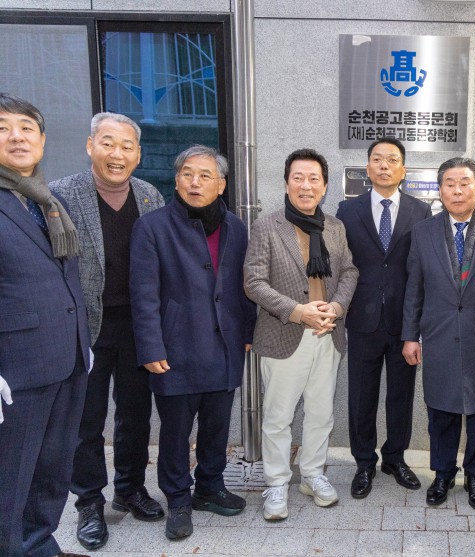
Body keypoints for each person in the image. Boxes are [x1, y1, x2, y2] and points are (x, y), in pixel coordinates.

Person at [50, 112, 166, 551]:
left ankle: (130, 488)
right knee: (87, 418)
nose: (117, 154)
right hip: (86, 325)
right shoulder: (61, 195)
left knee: (135, 412)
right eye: (108, 143)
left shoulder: (150, 196)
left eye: (127, 146)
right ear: (90, 146)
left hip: (138, 324)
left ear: (138, 154)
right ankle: (88, 502)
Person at [130, 145, 255, 540]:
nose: (195, 182)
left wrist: (247, 333)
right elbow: (143, 295)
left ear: (221, 184)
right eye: (187, 174)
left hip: (224, 346)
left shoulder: (236, 227)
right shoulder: (152, 227)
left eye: (205, 175)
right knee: (175, 432)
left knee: (217, 427)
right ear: (176, 179)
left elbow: (243, 286)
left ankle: (210, 487)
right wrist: (151, 347)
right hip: (175, 348)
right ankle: (178, 499)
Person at [0, 92, 92, 557]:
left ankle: (38, 544)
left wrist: (83, 341)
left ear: (42, 139)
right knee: (10, 476)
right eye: (2, 129)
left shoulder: (48, 201)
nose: (16, 137)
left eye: (26, 128)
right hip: (16, 369)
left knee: (52, 470)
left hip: (66, 358)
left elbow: (66, 277)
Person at [244, 148, 358, 520]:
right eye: (298, 178)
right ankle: (277, 483)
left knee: (321, 413)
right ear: (286, 183)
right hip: (284, 334)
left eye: (313, 179)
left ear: (324, 187)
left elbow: (349, 272)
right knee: (278, 416)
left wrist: (336, 308)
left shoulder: (334, 227)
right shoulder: (267, 226)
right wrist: (299, 311)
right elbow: (254, 282)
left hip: (328, 334)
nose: (306, 186)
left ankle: (312, 474)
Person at [402, 157, 475, 512]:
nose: (457, 190)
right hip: (438, 336)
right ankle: (442, 475)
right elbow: (414, 288)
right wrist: (410, 335)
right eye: (450, 184)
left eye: (464, 183)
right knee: (441, 411)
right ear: (440, 190)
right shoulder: (423, 232)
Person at [336, 138, 431, 498]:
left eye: (392, 160)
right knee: (361, 396)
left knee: (401, 395)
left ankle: (395, 458)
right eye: (377, 159)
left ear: (403, 169)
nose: (384, 166)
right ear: (368, 167)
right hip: (362, 320)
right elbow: (343, 264)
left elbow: (421, 271)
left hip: (404, 322)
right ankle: (364, 462)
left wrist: (416, 327)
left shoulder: (421, 211)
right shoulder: (348, 210)